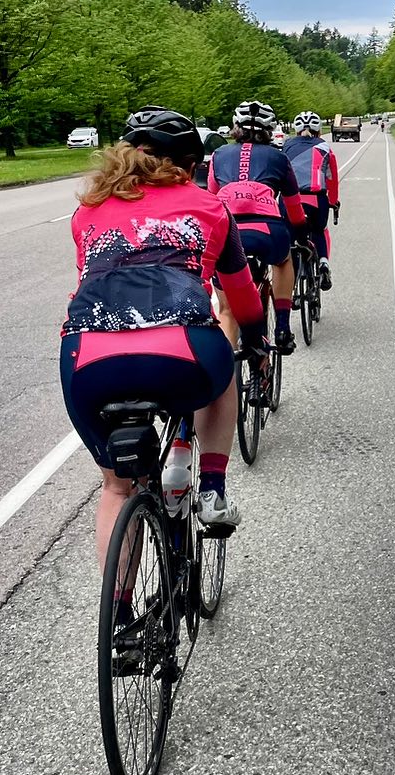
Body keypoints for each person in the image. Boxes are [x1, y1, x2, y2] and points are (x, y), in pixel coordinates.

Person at [60, 106, 266, 600]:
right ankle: (212, 488)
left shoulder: (86, 211)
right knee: (223, 374)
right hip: (181, 353)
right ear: (192, 164)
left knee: (115, 487)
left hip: (88, 361)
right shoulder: (208, 207)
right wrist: (255, 341)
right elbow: (239, 295)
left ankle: (122, 622)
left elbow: (89, 284)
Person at [206, 100, 307, 355]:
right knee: (284, 261)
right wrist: (301, 234)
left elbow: (209, 202)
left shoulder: (218, 156)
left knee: (227, 311)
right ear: (270, 129)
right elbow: (294, 208)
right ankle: (283, 327)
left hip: (228, 233)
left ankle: (227, 381)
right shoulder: (279, 157)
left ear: (235, 127)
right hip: (267, 231)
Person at [283, 110, 339, 290]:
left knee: (290, 237)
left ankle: (291, 283)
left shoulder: (286, 146)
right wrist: (333, 201)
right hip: (316, 199)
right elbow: (331, 179)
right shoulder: (325, 148)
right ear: (318, 129)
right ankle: (323, 263)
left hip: (290, 199)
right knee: (319, 230)